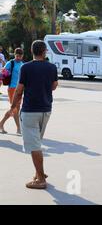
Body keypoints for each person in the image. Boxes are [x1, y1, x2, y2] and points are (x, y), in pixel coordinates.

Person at [10, 41, 58, 190]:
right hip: (46, 110)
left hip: (30, 110)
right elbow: (54, 86)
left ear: (31, 51)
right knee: (36, 144)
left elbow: (19, 90)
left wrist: (13, 106)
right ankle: (38, 174)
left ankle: (41, 179)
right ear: (44, 51)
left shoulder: (26, 67)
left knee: (34, 146)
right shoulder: (52, 67)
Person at [0, 48, 25, 135]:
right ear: (14, 54)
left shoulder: (23, 64)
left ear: (22, 56)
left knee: (16, 109)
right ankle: (18, 129)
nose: (18, 57)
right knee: (14, 108)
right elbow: (2, 73)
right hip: (12, 88)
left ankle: (1, 124)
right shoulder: (10, 63)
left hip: (20, 89)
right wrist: (5, 73)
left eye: (20, 56)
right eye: (17, 55)